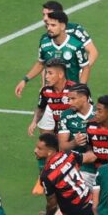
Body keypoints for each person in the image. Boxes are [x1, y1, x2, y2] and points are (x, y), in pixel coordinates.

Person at [15, 0, 98, 98]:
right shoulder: (46, 39)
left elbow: (93, 52)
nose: (45, 18)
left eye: (48, 15)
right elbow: (44, 62)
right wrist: (43, 84)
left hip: (73, 88)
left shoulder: (75, 31)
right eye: (43, 15)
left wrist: (80, 74)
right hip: (54, 89)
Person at [32, 133, 94, 215]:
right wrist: (90, 144)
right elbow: (90, 158)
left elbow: (52, 204)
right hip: (91, 203)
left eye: (39, 148)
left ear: (49, 151)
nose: (35, 151)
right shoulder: (68, 155)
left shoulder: (47, 175)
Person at [28, 59, 77, 196]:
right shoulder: (45, 91)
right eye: (46, 73)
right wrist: (34, 122)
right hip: (59, 127)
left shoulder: (74, 90)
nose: (46, 77)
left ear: (60, 75)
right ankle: (43, 179)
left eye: (50, 73)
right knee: (43, 146)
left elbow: (86, 109)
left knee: (69, 154)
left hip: (73, 129)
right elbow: (41, 108)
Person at [58, 84, 97, 184]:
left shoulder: (99, 113)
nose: (69, 102)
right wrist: (74, 143)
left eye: (73, 99)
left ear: (84, 98)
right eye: (68, 99)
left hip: (98, 166)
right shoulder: (66, 115)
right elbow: (62, 147)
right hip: (78, 167)